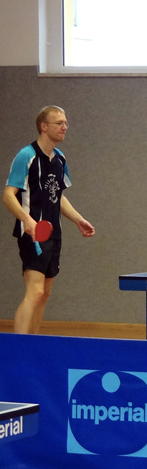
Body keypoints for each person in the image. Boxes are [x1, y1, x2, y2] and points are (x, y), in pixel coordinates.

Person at [3, 105, 95, 334]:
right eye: (59, 123)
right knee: (35, 291)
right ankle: (19, 346)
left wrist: (78, 219)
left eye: (65, 123)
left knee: (44, 293)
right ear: (44, 126)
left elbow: (58, 196)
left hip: (54, 235)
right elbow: (8, 195)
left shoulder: (60, 159)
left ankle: (33, 343)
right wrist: (27, 220)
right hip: (33, 233)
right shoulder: (27, 156)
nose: (65, 127)